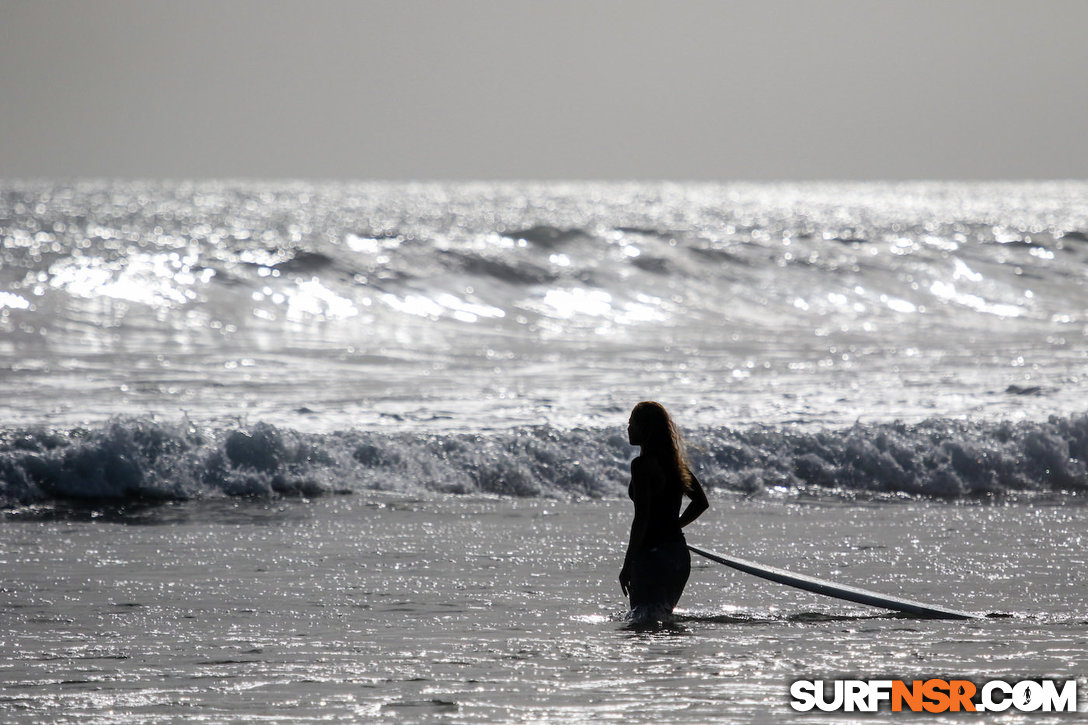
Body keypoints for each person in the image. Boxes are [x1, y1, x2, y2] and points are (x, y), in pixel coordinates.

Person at [619, 401, 709, 620]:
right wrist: (673, 526)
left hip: (652, 556)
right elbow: (700, 502)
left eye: (632, 423)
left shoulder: (641, 465)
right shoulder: (674, 465)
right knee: (663, 621)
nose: (628, 428)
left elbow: (641, 519)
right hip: (678, 555)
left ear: (646, 428)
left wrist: (627, 564)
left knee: (643, 626)